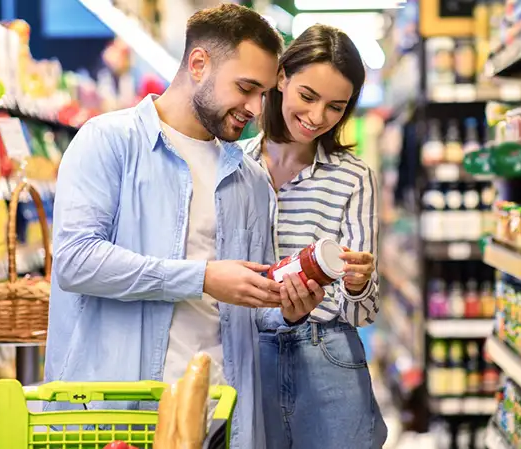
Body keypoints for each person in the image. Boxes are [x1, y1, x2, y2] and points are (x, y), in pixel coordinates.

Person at [44, 4, 325, 449]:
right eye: (246, 88)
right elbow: (76, 262)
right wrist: (203, 277)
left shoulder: (250, 180)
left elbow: (253, 309)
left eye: (264, 94)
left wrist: (289, 308)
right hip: (116, 417)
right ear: (198, 64)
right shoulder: (108, 142)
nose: (255, 108)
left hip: (222, 419)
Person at [239, 24, 387, 449]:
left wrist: (359, 285)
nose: (317, 117)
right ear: (281, 77)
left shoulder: (353, 178)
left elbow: (364, 314)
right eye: (308, 96)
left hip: (329, 356)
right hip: (251, 354)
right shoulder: (234, 166)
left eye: (336, 106)